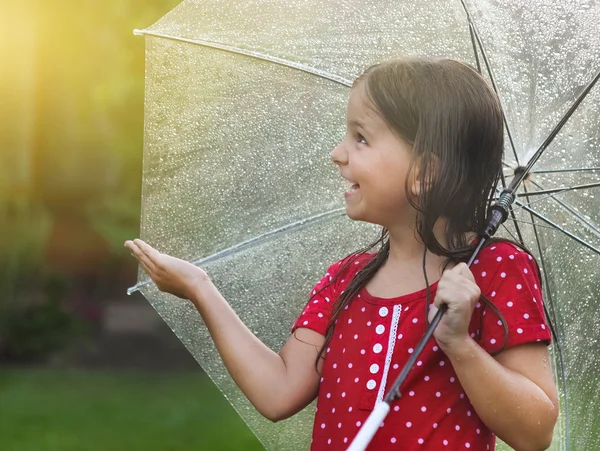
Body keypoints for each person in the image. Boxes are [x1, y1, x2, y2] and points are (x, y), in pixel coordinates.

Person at [125, 57, 559, 450]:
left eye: (361, 138)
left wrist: (459, 345)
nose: (337, 154)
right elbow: (279, 391)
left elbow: (535, 430)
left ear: (425, 171)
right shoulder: (346, 279)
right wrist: (201, 288)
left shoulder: (493, 271)